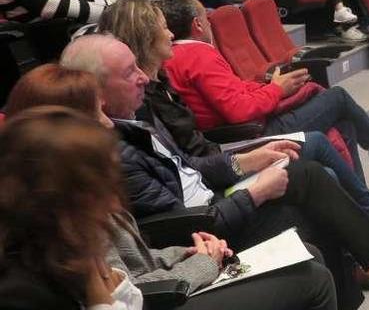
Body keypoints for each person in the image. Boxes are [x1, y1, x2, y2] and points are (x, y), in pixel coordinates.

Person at [60, 33, 369, 309]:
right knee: (311, 179)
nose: (141, 79)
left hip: (213, 205)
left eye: (138, 66)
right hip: (206, 228)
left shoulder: (134, 120)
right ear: (93, 89)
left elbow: (194, 170)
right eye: (128, 73)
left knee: (311, 178)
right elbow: (180, 221)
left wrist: (246, 162)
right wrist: (254, 192)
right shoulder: (111, 151)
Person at [2, 70, 340, 310]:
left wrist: (184, 252)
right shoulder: (64, 238)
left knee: (308, 226)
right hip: (181, 264)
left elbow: (190, 167)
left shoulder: (72, 191)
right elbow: (138, 280)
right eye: (96, 113)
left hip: (188, 244)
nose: (107, 122)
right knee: (310, 274)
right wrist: (205, 261)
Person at [98, 0, 369, 232]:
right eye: (161, 29)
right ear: (198, 25)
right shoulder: (190, 60)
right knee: (334, 107)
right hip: (242, 137)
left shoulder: (162, 76)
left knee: (341, 124)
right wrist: (278, 91)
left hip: (221, 154)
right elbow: (236, 111)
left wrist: (271, 87)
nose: (168, 33)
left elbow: (234, 95)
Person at [0, 106, 145, 310]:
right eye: (100, 190)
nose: (114, 204)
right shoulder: (19, 295)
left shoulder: (61, 255)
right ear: (57, 200)